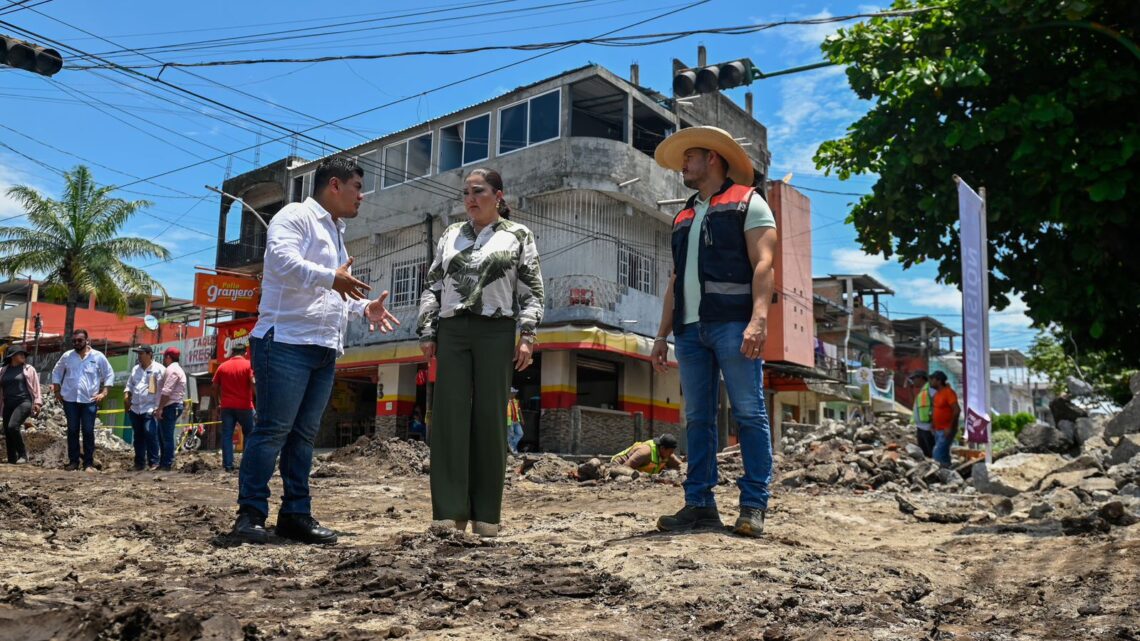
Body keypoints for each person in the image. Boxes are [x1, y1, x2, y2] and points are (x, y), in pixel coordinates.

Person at [231, 156, 398, 545]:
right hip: (285, 340)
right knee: (272, 430)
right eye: (357, 187)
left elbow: (333, 291)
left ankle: (295, 515)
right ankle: (250, 515)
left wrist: (362, 307)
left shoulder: (336, 233)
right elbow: (281, 261)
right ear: (334, 185)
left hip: (323, 346)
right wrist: (332, 277)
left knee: (303, 437)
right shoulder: (294, 216)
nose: (362, 196)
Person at [650, 126, 778, 538]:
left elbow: (764, 264)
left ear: (714, 159)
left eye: (691, 156)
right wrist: (660, 334)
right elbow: (675, 279)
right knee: (698, 419)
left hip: (733, 325)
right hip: (689, 330)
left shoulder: (749, 203)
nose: (684, 164)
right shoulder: (683, 214)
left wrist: (758, 320)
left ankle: (753, 505)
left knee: (749, 413)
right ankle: (700, 504)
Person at [418, 167, 544, 538]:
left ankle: (487, 515)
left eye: (478, 191)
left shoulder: (518, 235)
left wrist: (527, 335)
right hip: (453, 330)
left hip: (496, 330)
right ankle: (449, 512)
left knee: (491, 419)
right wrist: (427, 329)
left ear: (498, 195)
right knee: (448, 418)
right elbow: (432, 285)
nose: (470, 199)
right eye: (466, 193)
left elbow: (532, 291)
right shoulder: (450, 234)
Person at [51, 329, 114, 472]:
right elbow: (57, 371)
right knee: (72, 430)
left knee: (87, 431)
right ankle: (73, 462)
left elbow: (109, 374)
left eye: (79, 340)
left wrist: (104, 393)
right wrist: (56, 390)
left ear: (87, 340)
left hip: (89, 401)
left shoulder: (98, 356)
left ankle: (88, 464)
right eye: (74, 341)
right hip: (70, 400)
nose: (76, 343)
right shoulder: (67, 356)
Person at [213, 343, 255, 472]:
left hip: (227, 407)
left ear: (232, 352)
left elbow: (214, 387)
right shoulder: (249, 365)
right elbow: (253, 382)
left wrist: (218, 402)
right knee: (249, 433)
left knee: (227, 435)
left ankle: (228, 465)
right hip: (245, 406)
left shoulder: (222, 366)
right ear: (245, 353)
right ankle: (247, 464)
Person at [124, 345, 165, 471]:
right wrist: (126, 395)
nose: (139, 356)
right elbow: (129, 385)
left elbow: (164, 390)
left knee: (150, 432)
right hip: (136, 408)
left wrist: (159, 408)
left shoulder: (159, 369)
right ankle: (139, 463)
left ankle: (154, 462)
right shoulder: (135, 369)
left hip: (150, 408)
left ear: (149, 354)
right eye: (138, 353)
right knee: (138, 436)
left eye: (141, 353)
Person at [1, 347, 41, 464]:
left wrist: (37, 402)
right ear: (12, 357)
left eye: (24, 354)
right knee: (8, 432)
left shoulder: (29, 369)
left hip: (24, 402)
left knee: (13, 426)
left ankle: (23, 454)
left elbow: (36, 386)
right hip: (8, 403)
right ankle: (11, 460)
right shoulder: (3, 370)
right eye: (20, 354)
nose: (24, 356)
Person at [156, 347, 187, 471]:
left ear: (168, 357)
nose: (164, 359)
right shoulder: (174, 369)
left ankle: (167, 463)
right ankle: (164, 462)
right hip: (170, 406)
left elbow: (167, 391)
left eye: (165, 357)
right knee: (163, 436)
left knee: (167, 437)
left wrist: (160, 408)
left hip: (170, 406)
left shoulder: (172, 370)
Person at [611, 433, 683, 475]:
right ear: (662, 448)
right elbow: (625, 468)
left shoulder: (667, 454)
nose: (672, 454)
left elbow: (681, 467)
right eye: (670, 452)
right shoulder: (645, 452)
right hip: (616, 466)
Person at [930, 371, 961, 468]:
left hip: (946, 430)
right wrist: (932, 425)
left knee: (937, 454)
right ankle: (949, 473)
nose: (930, 382)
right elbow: (935, 411)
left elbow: (957, 410)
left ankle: (940, 474)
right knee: (943, 455)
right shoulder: (936, 395)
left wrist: (949, 427)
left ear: (939, 381)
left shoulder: (948, 392)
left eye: (932, 379)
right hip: (938, 430)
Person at [908, 370, 936, 458]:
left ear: (920, 378)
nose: (913, 381)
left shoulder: (930, 389)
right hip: (921, 428)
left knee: (932, 453)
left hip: (929, 428)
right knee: (926, 454)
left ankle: (940, 470)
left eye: (914, 378)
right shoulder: (923, 391)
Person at [506, 387, 523, 454]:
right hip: (509, 421)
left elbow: (519, 410)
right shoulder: (505, 401)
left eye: (515, 393)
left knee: (520, 433)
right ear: (510, 393)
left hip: (516, 421)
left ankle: (510, 445)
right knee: (511, 435)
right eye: (513, 393)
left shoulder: (516, 401)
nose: (514, 394)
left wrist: (521, 419)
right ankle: (513, 450)